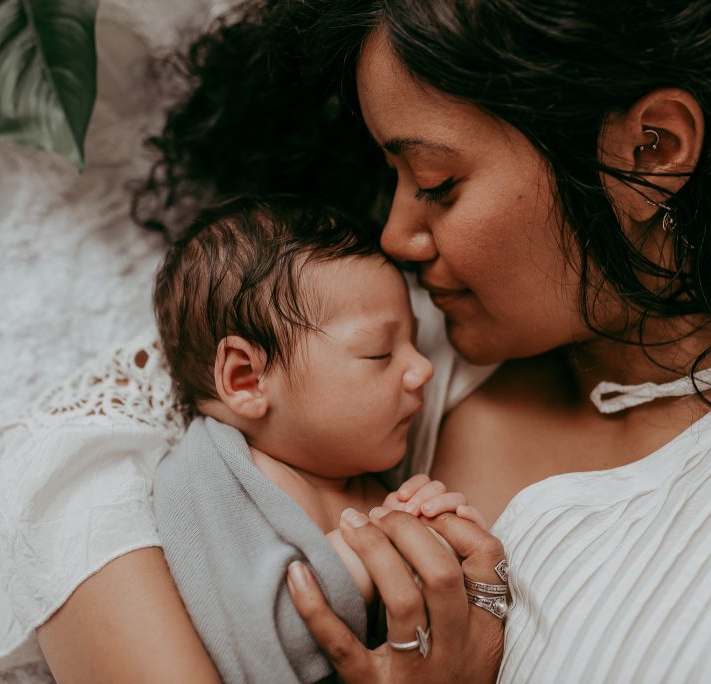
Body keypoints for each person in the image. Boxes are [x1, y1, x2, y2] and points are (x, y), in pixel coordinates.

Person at [0, 0, 711, 682]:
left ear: (651, 149)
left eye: (436, 182)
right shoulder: (406, 314)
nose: (396, 232)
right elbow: (66, 462)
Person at [150, 194, 488, 682]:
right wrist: (365, 555)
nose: (422, 369)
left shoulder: (365, 475)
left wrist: (439, 548)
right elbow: (245, 641)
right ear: (246, 377)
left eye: (414, 342)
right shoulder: (206, 472)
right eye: (378, 353)